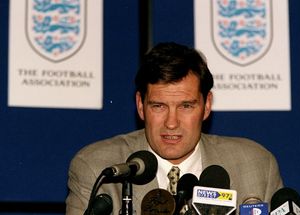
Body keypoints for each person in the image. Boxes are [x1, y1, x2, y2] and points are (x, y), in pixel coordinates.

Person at [66, 42, 283, 214]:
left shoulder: (256, 166)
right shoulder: (98, 169)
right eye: (159, 106)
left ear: (206, 106)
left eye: (186, 106)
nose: (171, 123)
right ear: (141, 106)